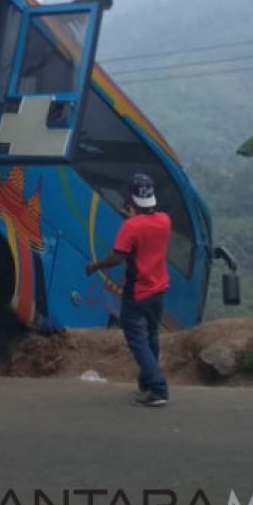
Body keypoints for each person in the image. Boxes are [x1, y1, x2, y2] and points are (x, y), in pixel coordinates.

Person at [85, 173, 172, 407]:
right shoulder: (165, 220)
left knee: (137, 340)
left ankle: (158, 388)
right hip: (159, 289)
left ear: (131, 200)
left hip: (138, 291)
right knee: (152, 336)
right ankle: (146, 383)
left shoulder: (130, 227)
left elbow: (117, 257)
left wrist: (95, 266)